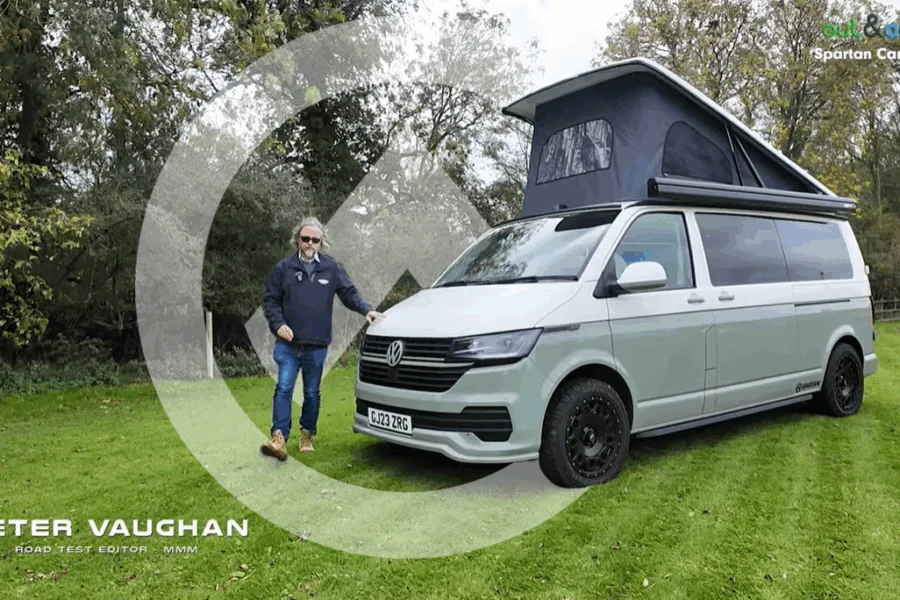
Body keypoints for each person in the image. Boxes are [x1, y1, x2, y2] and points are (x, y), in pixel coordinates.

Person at [260, 217, 383, 460]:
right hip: (287, 345)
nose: (309, 243)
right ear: (298, 240)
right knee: (283, 387)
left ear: (321, 243)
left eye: (314, 240)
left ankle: (307, 433)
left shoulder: (331, 268)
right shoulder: (283, 268)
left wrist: (366, 310)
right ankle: (279, 438)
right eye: (305, 239)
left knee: (311, 393)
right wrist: (278, 324)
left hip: (316, 345)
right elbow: (270, 300)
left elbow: (349, 293)